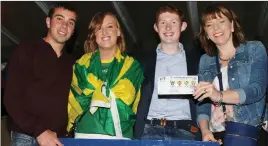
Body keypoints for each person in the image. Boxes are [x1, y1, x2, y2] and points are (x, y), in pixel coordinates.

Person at [3, 3, 78, 146]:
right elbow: (11, 98)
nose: (64, 26)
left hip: (58, 139)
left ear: (73, 30)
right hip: (26, 136)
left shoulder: (72, 63)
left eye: (70, 22)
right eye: (59, 19)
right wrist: (39, 131)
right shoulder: (26, 50)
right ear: (48, 22)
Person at [194, 4, 267, 144]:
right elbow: (201, 102)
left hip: (246, 129)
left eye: (221, 21)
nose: (216, 28)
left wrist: (218, 95)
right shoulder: (205, 60)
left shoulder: (255, 49)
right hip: (216, 134)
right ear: (206, 33)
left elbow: (256, 90)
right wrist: (205, 131)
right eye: (210, 25)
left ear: (232, 26)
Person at [67, 12, 144, 139]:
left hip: (120, 136)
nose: (104, 32)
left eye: (109, 26)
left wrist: (96, 92)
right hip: (85, 135)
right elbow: (78, 99)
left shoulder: (132, 66)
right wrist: (106, 92)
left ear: (118, 32)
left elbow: (125, 98)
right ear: (94, 34)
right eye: (99, 28)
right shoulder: (80, 64)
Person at [134, 5, 202, 140]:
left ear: (183, 26)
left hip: (186, 132)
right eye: (163, 23)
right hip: (150, 132)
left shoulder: (197, 61)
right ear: (156, 27)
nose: (168, 27)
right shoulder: (142, 62)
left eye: (173, 22)